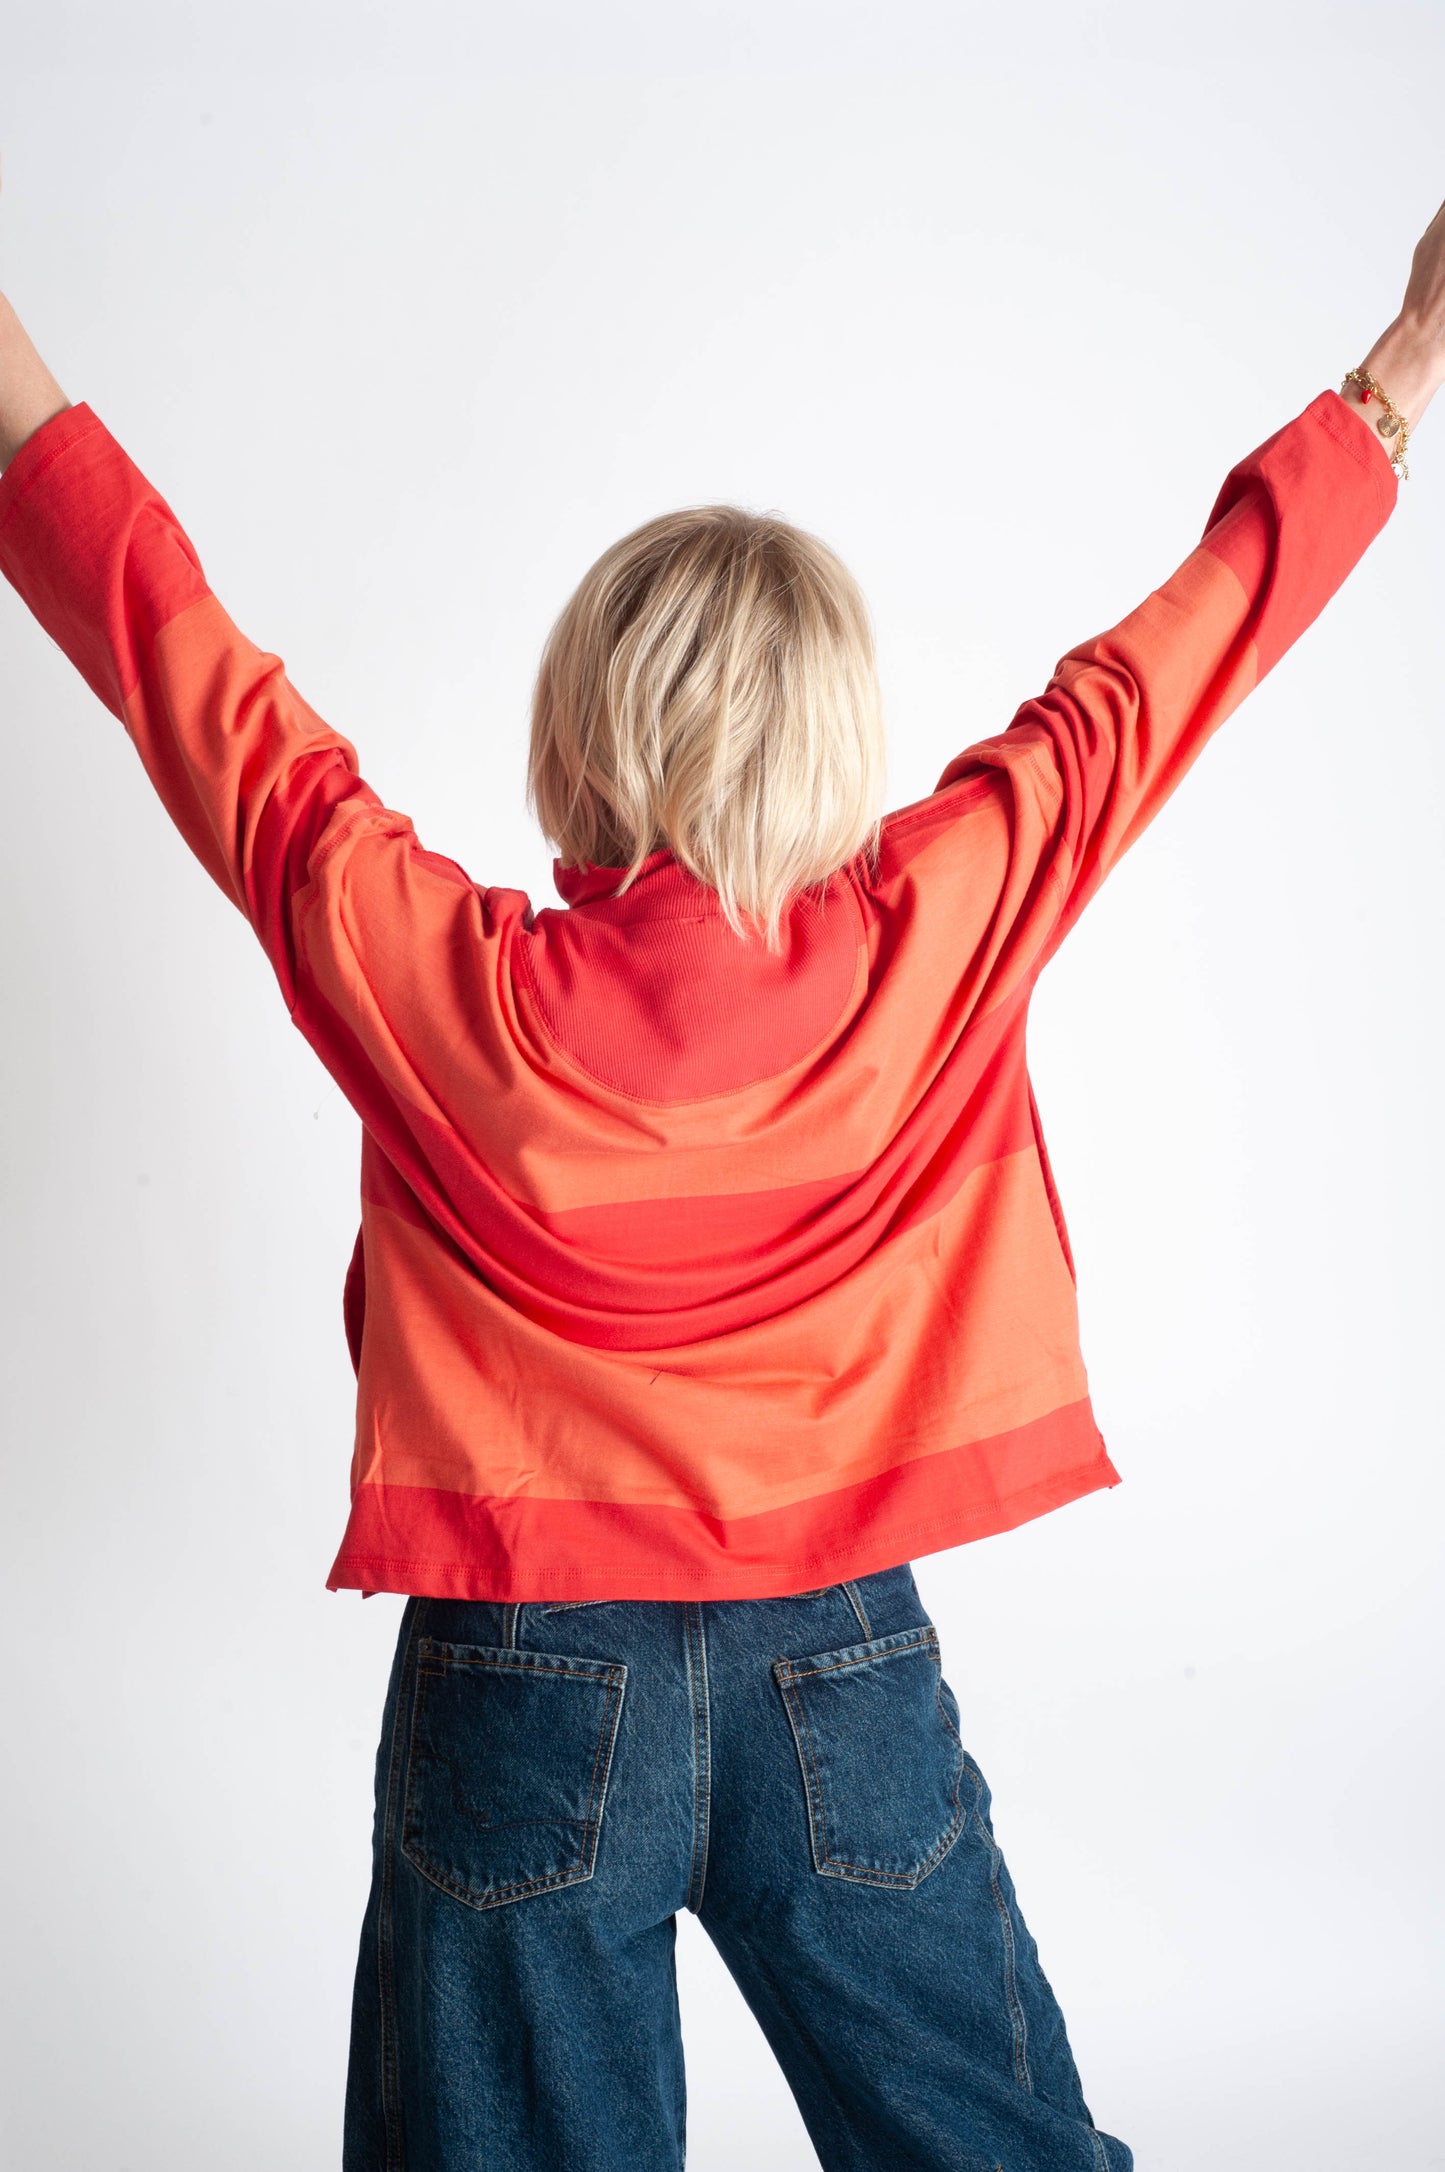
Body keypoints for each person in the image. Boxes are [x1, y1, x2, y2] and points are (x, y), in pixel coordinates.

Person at [2, 149, 1441, 2168]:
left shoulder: (445, 986)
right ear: (835, 749)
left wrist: (12, 389)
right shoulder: (947, 922)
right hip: (840, 1660)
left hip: (522, 1671)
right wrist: (1410, 358)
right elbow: (1175, 660)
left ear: (578, 739)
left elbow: (181, 664)